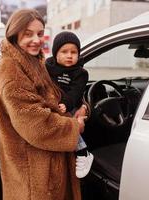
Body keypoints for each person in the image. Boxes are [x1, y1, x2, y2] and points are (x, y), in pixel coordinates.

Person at [0, 9, 86, 200]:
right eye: (28, 34)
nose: (36, 39)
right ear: (14, 33)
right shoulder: (11, 70)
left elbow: (59, 96)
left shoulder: (34, 62)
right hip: (34, 171)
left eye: (40, 34)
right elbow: (36, 124)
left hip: (45, 163)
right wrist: (74, 126)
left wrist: (83, 107)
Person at [46, 31, 94, 179]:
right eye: (64, 51)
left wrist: (66, 104)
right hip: (54, 105)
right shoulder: (47, 68)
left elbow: (76, 92)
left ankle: (83, 152)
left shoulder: (80, 73)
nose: (69, 55)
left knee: (69, 122)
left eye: (74, 52)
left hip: (71, 104)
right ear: (55, 53)